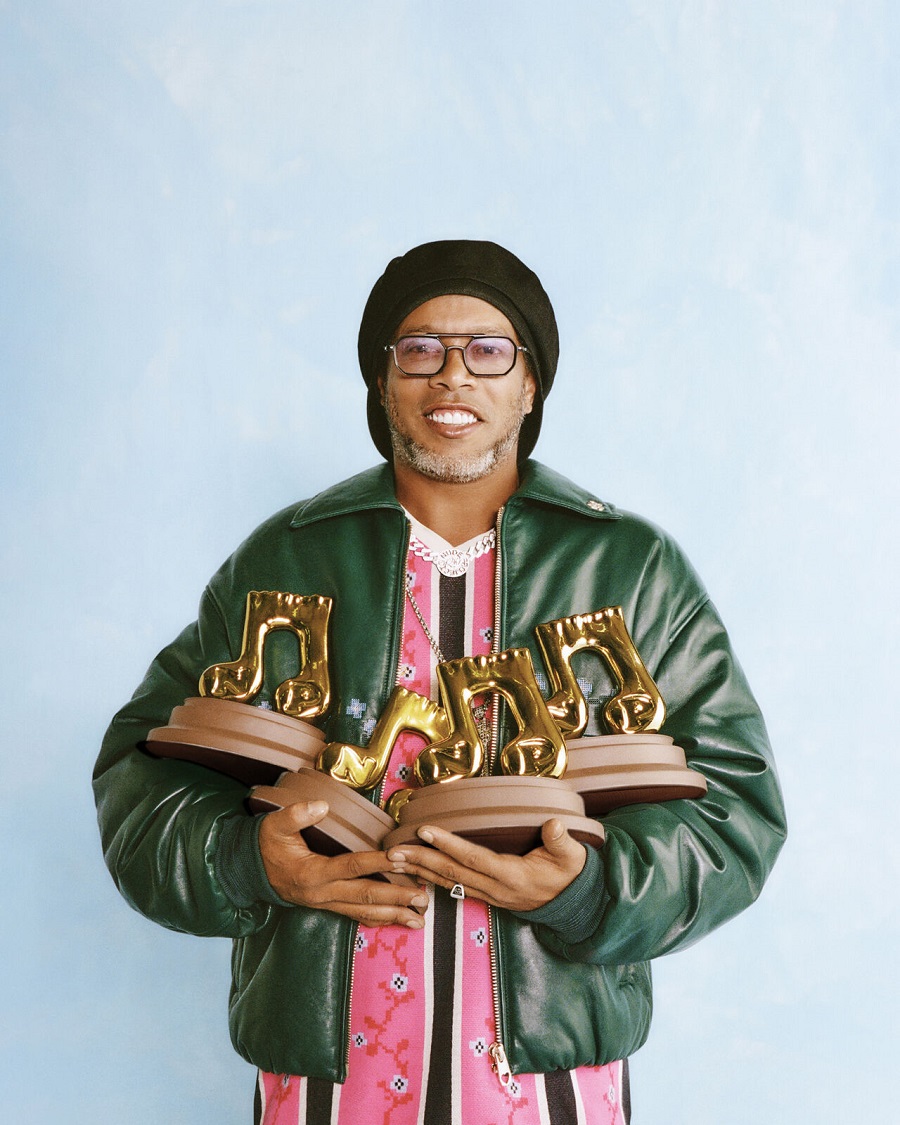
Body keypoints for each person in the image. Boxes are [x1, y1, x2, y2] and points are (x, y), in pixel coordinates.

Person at [94, 240, 786, 1124]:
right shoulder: (285, 559)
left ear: (530, 384)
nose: (453, 374)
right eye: (420, 349)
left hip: (549, 1087)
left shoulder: (631, 568)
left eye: (488, 350)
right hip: (327, 1085)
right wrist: (247, 861)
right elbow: (142, 779)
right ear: (383, 381)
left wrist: (589, 890)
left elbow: (736, 808)